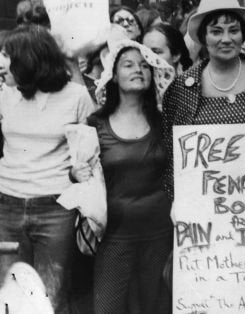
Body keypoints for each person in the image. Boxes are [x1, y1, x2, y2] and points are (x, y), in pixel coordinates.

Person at [161, 0, 245, 200]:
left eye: (233, 30)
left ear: (243, 34)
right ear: (203, 37)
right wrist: (178, 203)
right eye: (216, 31)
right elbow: (173, 157)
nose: (226, 39)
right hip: (205, 215)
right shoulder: (182, 88)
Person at [0, 25, 95, 314]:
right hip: (6, 205)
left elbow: (90, 154)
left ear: (29, 59)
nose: (0, 62)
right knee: (10, 296)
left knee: (49, 297)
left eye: (6, 55)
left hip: (56, 209)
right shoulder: (4, 93)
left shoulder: (77, 96)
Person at [76, 39, 175, 314]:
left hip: (160, 234)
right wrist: (77, 173)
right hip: (114, 237)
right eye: (128, 64)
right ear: (113, 75)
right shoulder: (95, 124)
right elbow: (80, 177)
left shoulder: (163, 120)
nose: (138, 70)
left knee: (155, 308)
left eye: (145, 65)